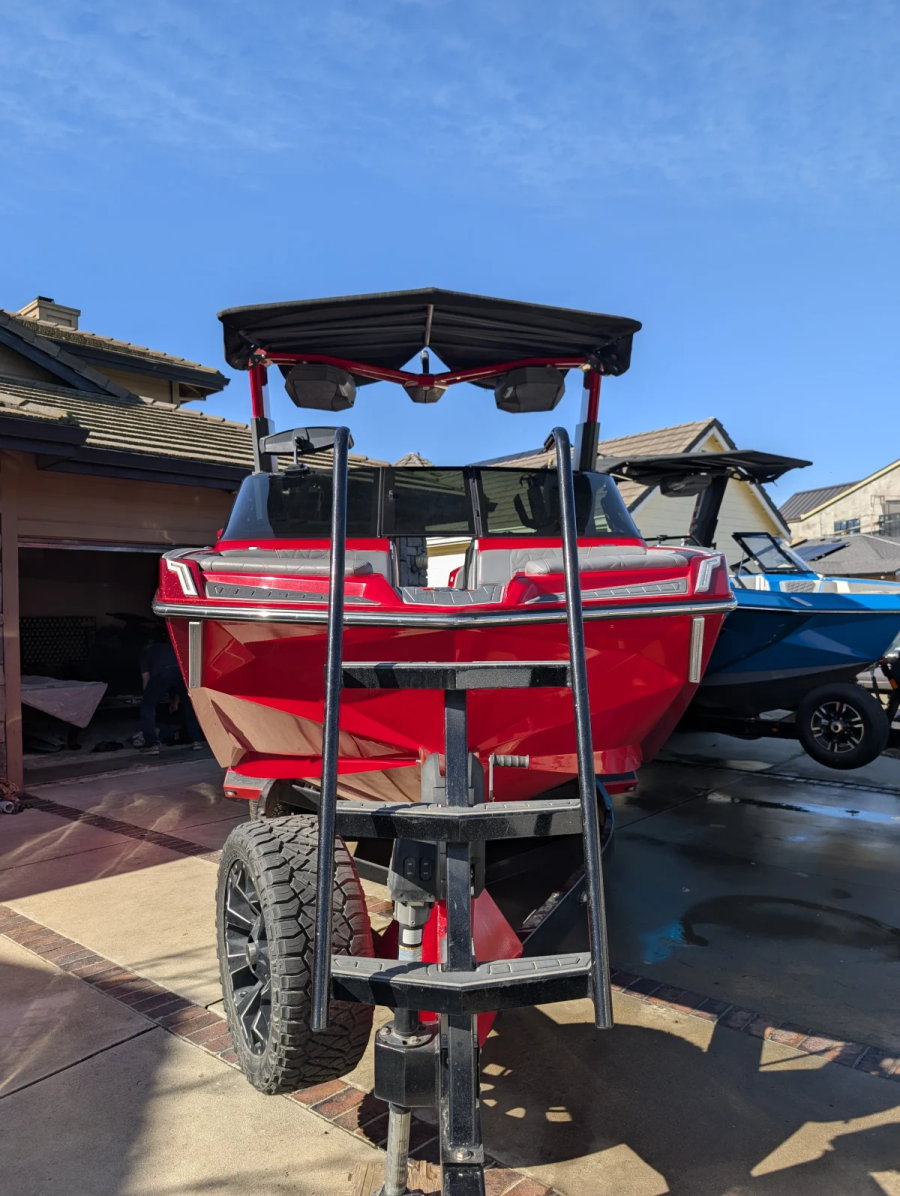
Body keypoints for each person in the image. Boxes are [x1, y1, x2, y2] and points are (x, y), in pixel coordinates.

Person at [138, 639, 203, 754]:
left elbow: (146, 680)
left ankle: (152, 744)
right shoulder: (171, 646)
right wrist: (176, 701)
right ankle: (196, 740)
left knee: (147, 707)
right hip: (182, 672)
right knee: (189, 705)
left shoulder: (145, 653)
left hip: (162, 672)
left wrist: (149, 697)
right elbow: (176, 676)